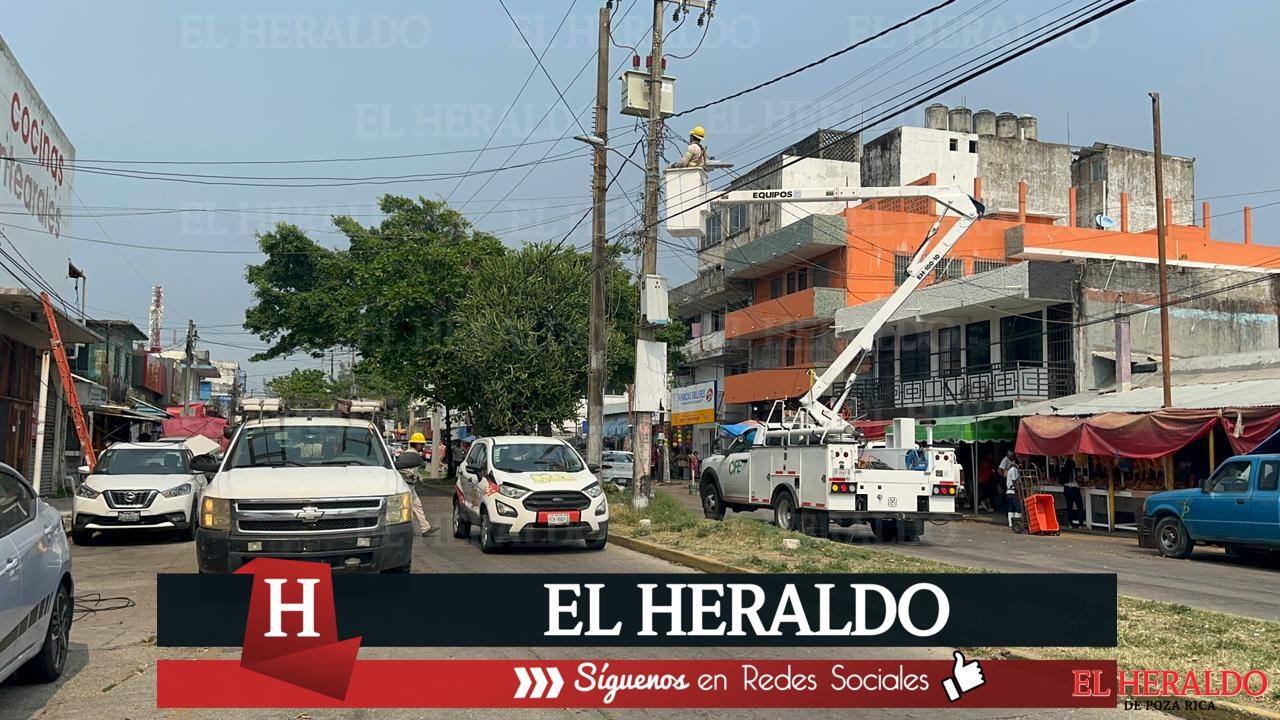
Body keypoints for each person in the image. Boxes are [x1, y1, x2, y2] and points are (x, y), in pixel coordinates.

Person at [401, 433, 434, 537]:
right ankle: (400, 530)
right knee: (404, 508)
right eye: (421, 444)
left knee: (417, 506)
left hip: (411, 486)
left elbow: (414, 469)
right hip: (405, 486)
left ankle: (425, 528)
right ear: (417, 444)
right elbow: (400, 468)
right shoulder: (409, 455)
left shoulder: (413, 454)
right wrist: (410, 473)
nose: (423, 446)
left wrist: (418, 476)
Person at [1060, 456, 1085, 529]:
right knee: (1079, 506)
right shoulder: (1074, 470)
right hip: (1074, 488)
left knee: (1069, 506)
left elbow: (1061, 480)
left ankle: (1070, 523)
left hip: (1066, 488)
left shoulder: (1063, 470)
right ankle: (1081, 524)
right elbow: (1078, 479)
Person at [1005, 457, 1022, 529]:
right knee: (1018, 508)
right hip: (1013, 492)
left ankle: (1011, 524)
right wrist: (1019, 491)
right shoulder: (1014, 470)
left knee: (1010, 508)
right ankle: (1016, 523)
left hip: (1008, 492)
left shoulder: (1009, 470)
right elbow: (1014, 481)